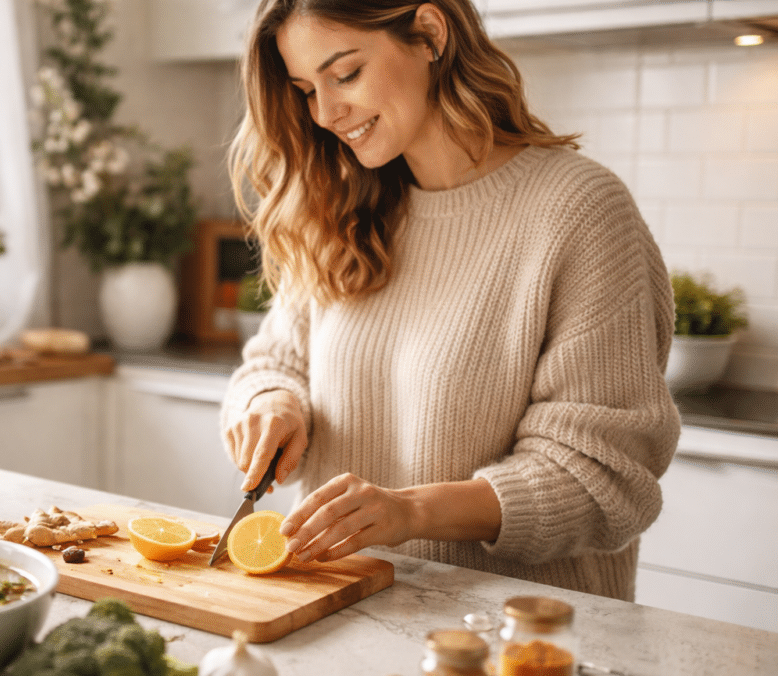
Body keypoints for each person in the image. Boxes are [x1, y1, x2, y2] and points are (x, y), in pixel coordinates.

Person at [220, 0, 680, 601]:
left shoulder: (579, 212)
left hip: (518, 639)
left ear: (430, 34)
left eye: (346, 74)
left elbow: (601, 480)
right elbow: (274, 363)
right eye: (307, 89)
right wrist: (274, 401)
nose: (327, 113)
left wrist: (411, 513)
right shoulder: (342, 206)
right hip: (347, 615)